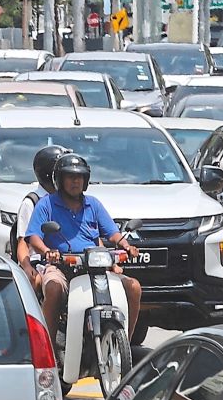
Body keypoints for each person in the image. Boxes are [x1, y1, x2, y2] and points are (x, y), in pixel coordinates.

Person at [25, 153, 142, 343]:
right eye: (70, 177)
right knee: (54, 288)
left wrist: (126, 245)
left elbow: (112, 233)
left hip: (95, 266)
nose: (75, 181)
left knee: (134, 287)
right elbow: (34, 237)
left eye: (79, 177)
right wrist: (48, 251)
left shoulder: (93, 204)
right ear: (60, 180)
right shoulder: (46, 204)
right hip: (61, 265)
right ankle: (47, 349)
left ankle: (123, 344)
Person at [13, 144, 70, 284]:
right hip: (40, 261)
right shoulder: (32, 202)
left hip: (69, 260)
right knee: (36, 281)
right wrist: (26, 267)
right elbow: (23, 243)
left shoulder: (70, 200)